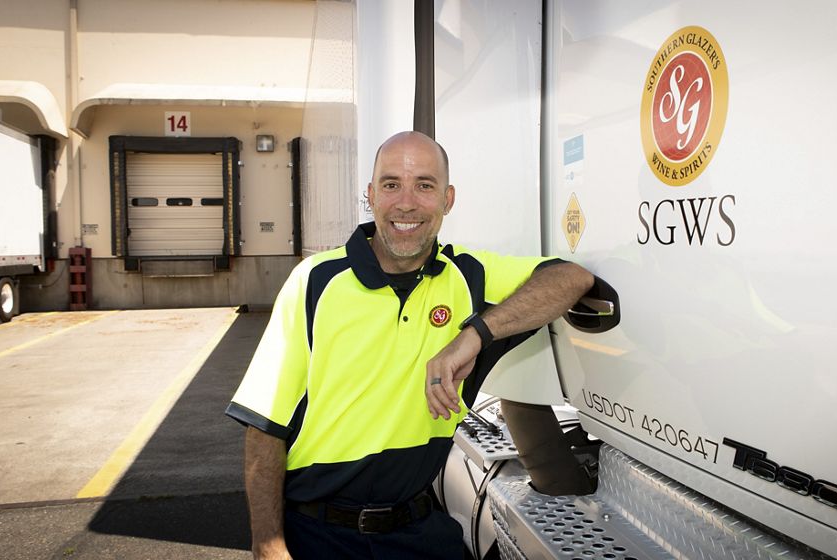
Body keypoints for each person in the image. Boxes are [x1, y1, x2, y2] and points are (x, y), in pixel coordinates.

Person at [226, 131, 596, 559]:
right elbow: (264, 427)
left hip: (418, 530)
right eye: (390, 185)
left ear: (447, 199)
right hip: (317, 535)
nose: (406, 203)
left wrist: (474, 334)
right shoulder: (315, 282)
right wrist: (268, 544)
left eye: (424, 185)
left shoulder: (467, 276)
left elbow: (571, 278)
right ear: (370, 195)